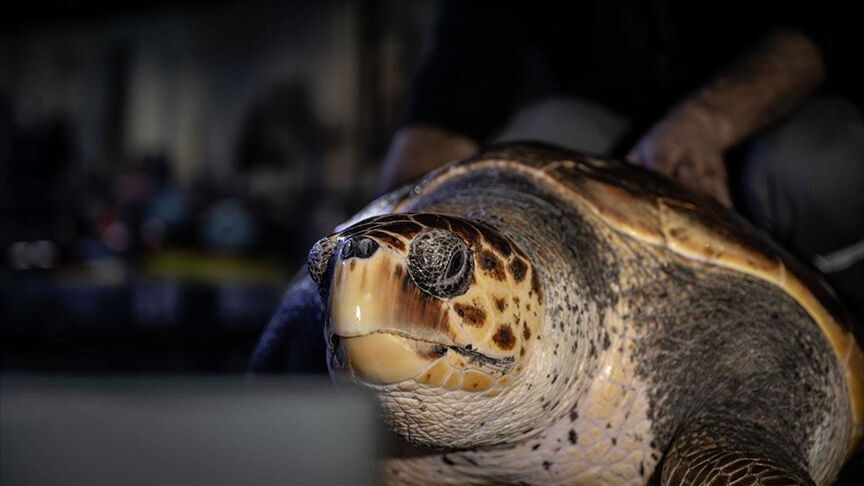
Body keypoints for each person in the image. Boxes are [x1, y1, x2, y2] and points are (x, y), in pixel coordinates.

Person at [377, 0, 864, 315]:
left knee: (817, 166)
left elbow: (826, 26)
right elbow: (456, 83)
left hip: (768, 121)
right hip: (618, 146)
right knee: (533, 147)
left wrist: (706, 121)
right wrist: (388, 230)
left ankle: (841, 320)